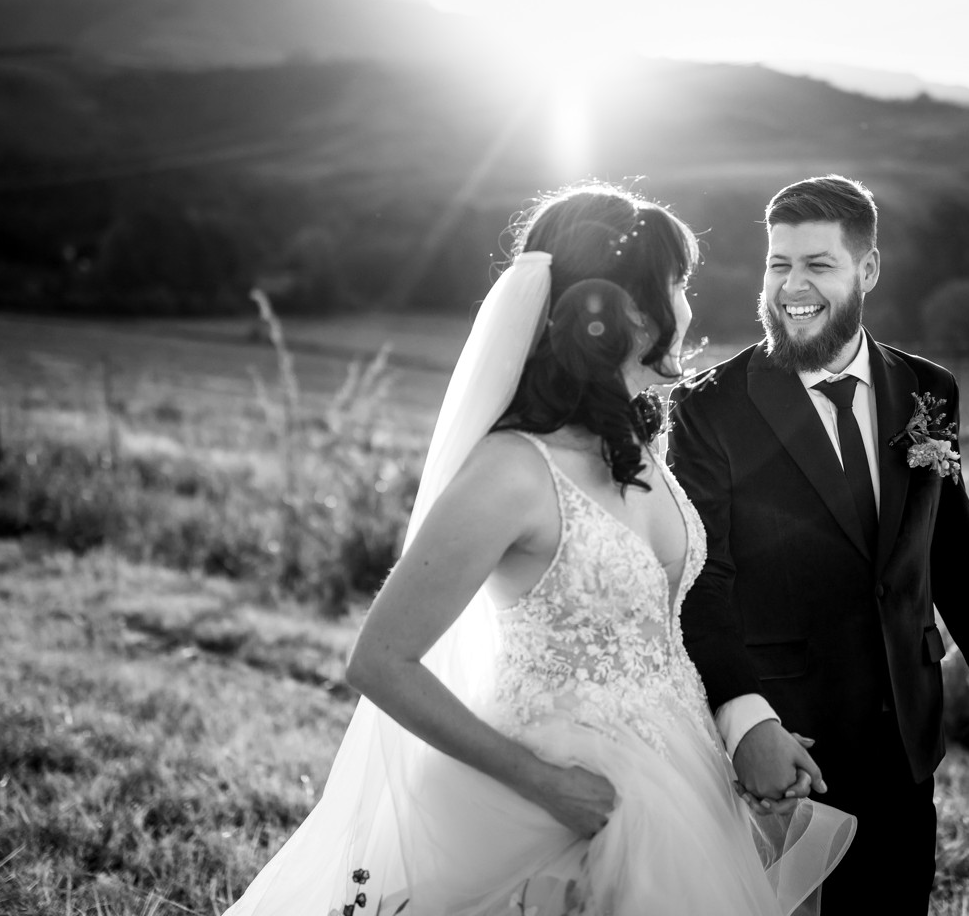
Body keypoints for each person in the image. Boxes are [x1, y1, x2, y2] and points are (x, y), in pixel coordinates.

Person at [223, 183, 853, 916]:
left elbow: (670, 624)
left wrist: (742, 733)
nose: (690, 305)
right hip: (552, 795)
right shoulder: (512, 471)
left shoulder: (641, 447)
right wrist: (545, 785)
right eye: (677, 284)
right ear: (632, 311)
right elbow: (380, 660)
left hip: (681, 771)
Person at [669, 174, 969, 914]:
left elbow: (953, 559)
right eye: (779, 264)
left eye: (818, 265)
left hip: (906, 743)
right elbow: (700, 582)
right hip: (786, 751)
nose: (791, 286)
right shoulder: (710, 408)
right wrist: (747, 721)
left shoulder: (926, 391)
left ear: (867, 270)